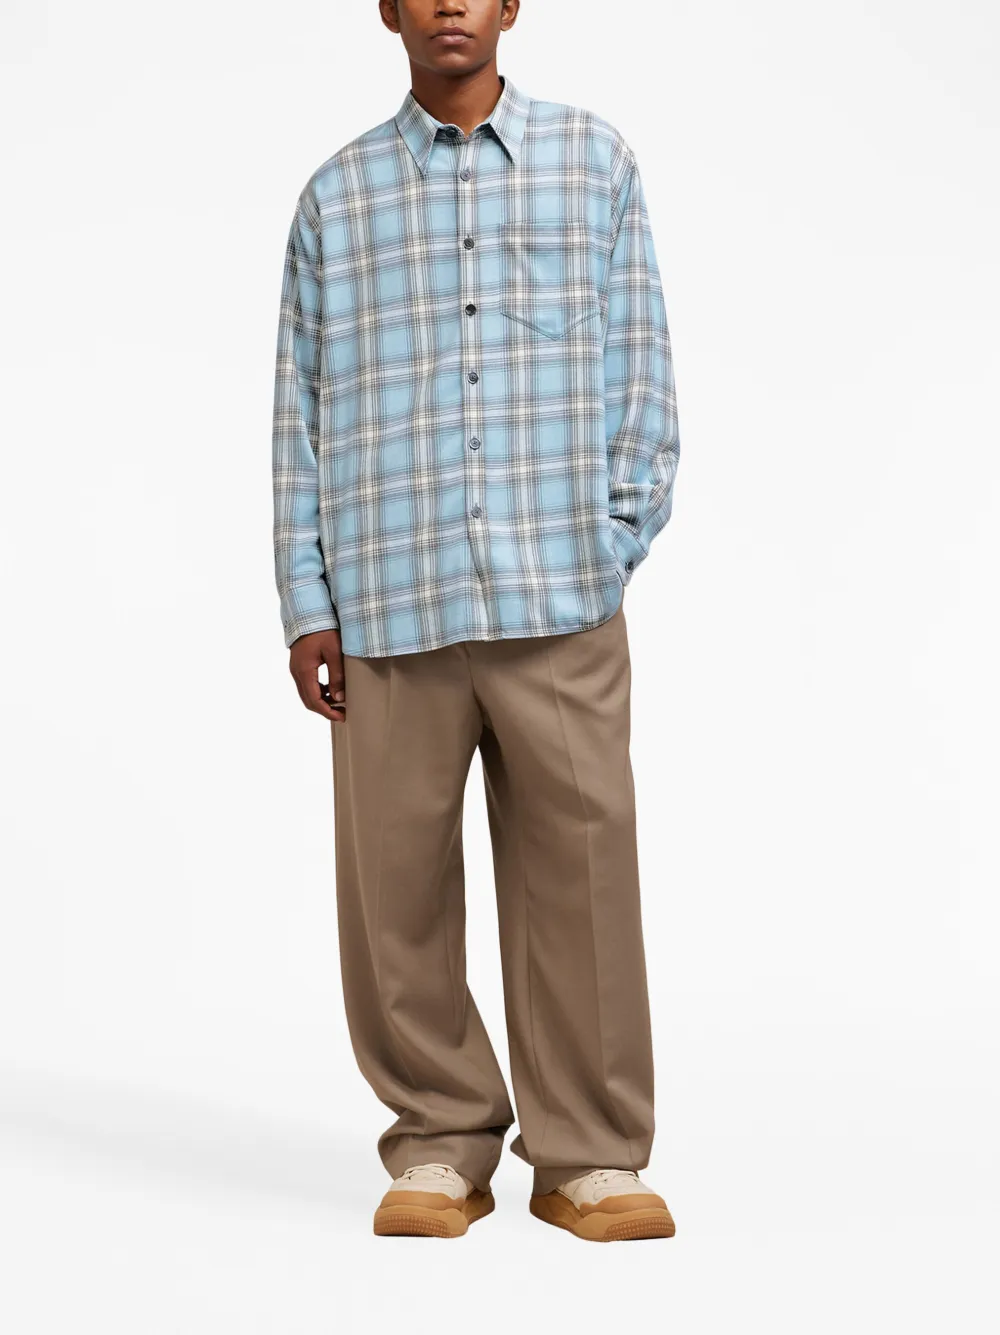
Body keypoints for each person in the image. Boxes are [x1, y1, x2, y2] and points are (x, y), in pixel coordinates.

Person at [271, 0, 680, 1243]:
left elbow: (642, 371)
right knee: (393, 894)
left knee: (583, 878)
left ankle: (589, 1156)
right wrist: (307, 600)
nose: (450, 2)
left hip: (559, 597)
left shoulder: (592, 161)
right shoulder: (336, 199)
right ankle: (441, 1140)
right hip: (388, 601)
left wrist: (611, 542)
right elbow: (298, 411)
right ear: (387, 9)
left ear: (510, 5)